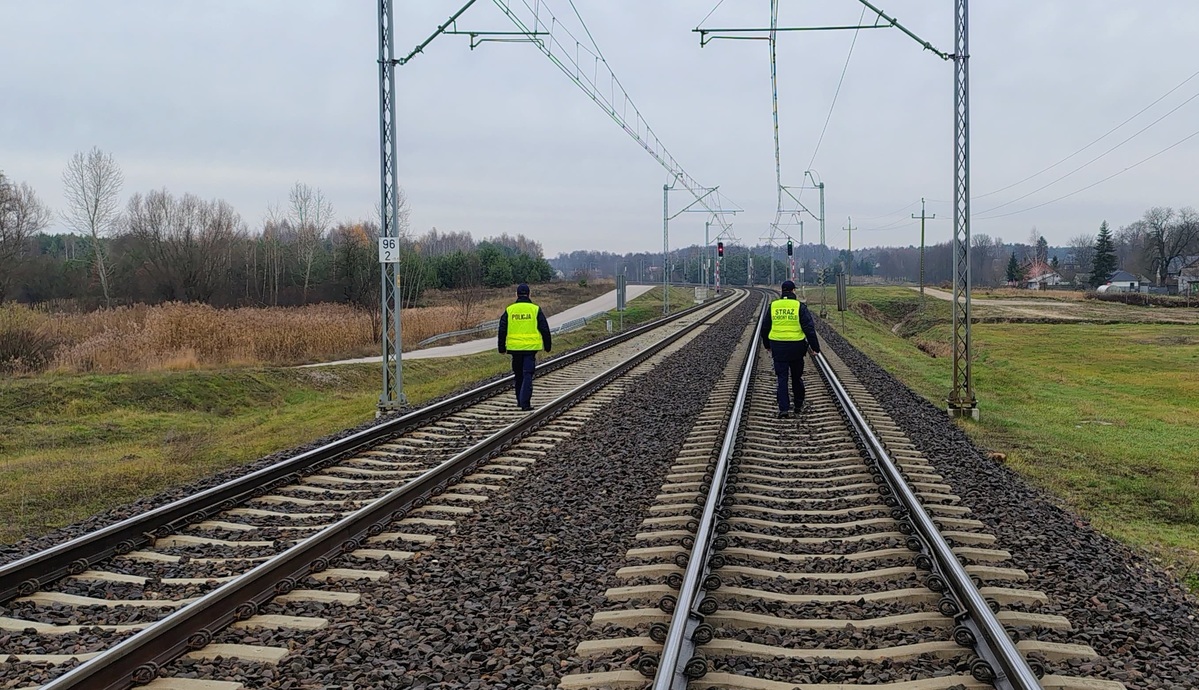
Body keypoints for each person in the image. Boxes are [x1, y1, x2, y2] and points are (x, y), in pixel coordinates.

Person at [759, 280, 821, 418]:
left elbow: (765, 328)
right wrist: (815, 347)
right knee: (796, 377)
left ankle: (783, 409)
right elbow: (809, 329)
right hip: (796, 347)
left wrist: (767, 345)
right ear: (793, 291)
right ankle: (798, 405)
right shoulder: (799, 306)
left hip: (778, 347)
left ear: (782, 291)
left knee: (782, 378)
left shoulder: (773, 306)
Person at [497, 283, 552, 411]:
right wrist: (547, 345)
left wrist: (501, 347)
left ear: (516, 294)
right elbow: (544, 328)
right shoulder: (535, 309)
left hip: (514, 349)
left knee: (518, 375)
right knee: (527, 374)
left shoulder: (510, 310)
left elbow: (502, 329)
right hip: (530, 349)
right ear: (529, 294)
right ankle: (525, 403)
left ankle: (519, 400)